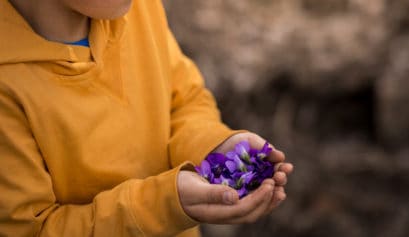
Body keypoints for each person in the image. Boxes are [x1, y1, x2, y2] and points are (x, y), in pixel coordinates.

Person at [0, 0, 293, 236]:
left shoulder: (135, 7)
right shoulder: (7, 84)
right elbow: (32, 229)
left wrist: (213, 148)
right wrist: (163, 204)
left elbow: (182, 100)